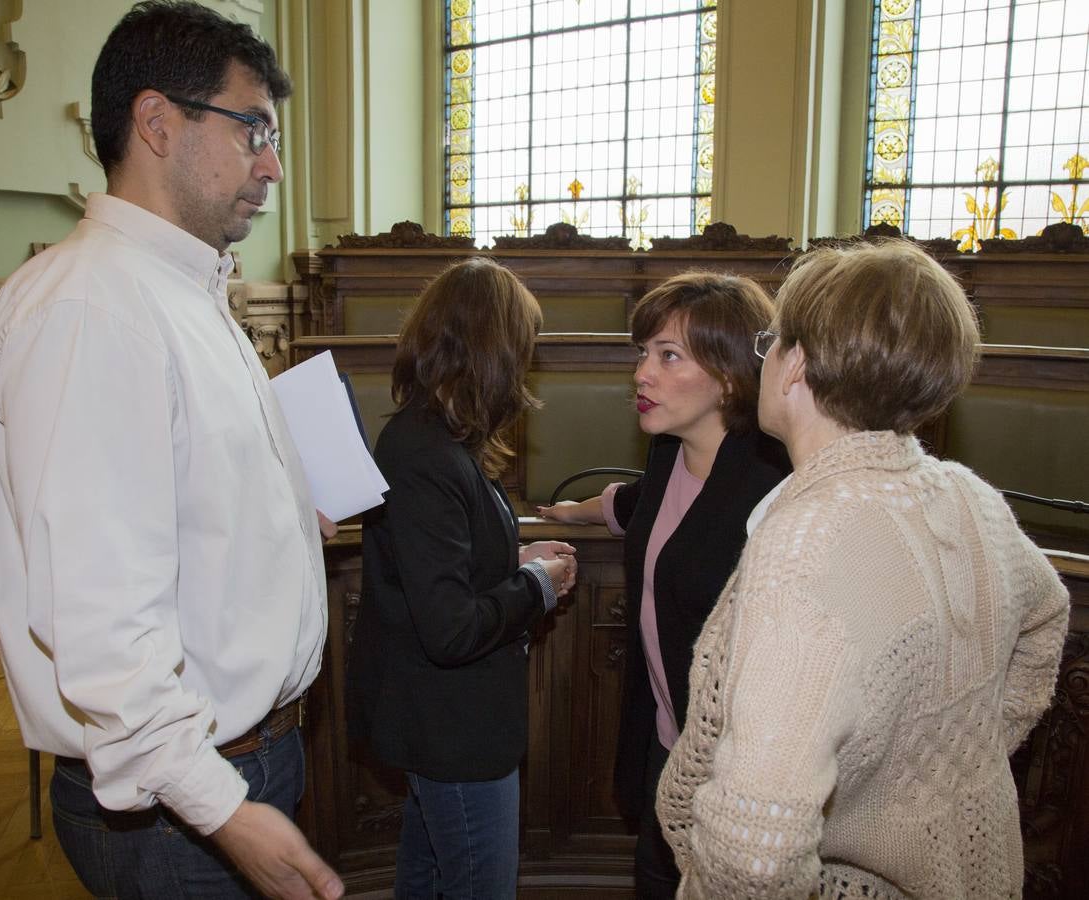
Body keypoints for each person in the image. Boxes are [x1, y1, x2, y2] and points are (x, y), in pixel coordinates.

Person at [0, 3, 343, 898]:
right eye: (252, 127)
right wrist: (221, 807)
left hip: (233, 763)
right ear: (156, 121)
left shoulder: (182, 289)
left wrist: (284, 529)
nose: (274, 166)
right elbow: (99, 618)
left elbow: (175, 511)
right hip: (179, 804)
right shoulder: (93, 307)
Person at [656, 239, 1071, 899]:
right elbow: (1048, 614)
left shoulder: (805, 538)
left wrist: (879, 797)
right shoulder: (967, 496)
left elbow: (751, 855)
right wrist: (959, 762)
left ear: (796, 364)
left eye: (772, 344)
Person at [536, 271, 789, 898]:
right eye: (642, 353)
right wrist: (569, 512)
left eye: (668, 355)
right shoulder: (670, 454)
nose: (641, 373)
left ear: (730, 374)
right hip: (664, 739)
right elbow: (640, 505)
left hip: (738, 769)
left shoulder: (773, 487)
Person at [345, 257, 578, 900]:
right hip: (451, 731)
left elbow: (452, 566)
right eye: (521, 348)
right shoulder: (423, 452)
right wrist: (536, 587)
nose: (525, 367)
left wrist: (519, 560)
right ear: (490, 351)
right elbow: (449, 627)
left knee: (425, 878)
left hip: (451, 724)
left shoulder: (444, 439)